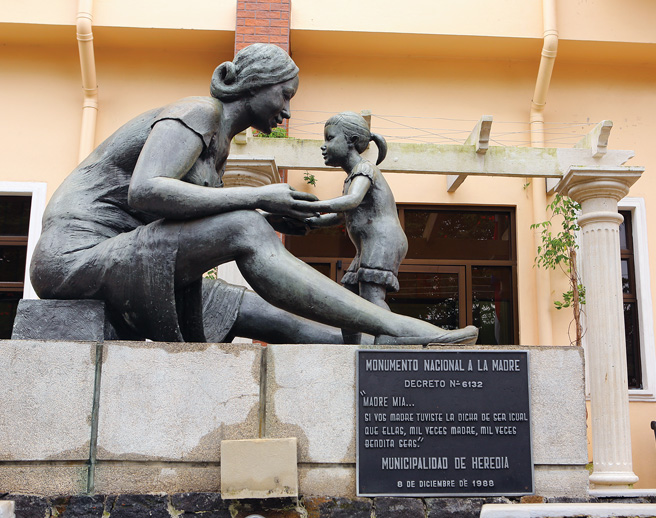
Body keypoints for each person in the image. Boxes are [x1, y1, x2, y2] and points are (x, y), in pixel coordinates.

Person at [30, 43, 478, 346]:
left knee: (241, 306)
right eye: (285, 94)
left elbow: (195, 212)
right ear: (256, 84)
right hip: (75, 257)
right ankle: (396, 327)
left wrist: (268, 212)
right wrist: (258, 200)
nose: (287, 110)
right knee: (245, 225)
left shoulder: (219, 141)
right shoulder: (197, 111)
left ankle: (368, 344)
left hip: (119, 256)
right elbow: (146, 191)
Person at [306, 112, 407, 343]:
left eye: (330, 138)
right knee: (348, 303)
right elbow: (342, 215)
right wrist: (312, 222)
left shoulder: (365, 169)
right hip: (369, 244)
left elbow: (351, 201)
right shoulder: (353, 175)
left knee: (372, 297)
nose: (324, 146)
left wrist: (313, 205)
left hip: (382, 240)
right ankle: (351, 353)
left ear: (350, 141)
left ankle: (389, 348)